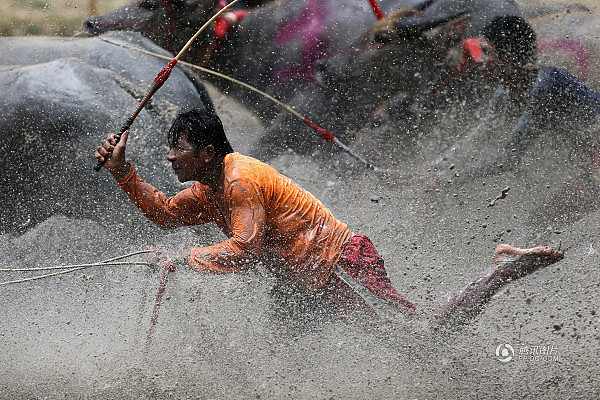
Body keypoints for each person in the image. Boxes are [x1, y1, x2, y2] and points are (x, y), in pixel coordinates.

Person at [95, 108, 564, 326]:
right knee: (285, 350)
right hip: (302, 280)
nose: (170, 157)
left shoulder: (239, 181)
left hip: (338, 264)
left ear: (208, 151)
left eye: (178, 148)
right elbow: (162, 213)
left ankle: (503, 266)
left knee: (422, 338)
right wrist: (123, 172)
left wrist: (186, 258)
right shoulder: (208, 187)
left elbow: (243, 249)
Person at [473, 15, 600, 164]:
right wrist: (439, 166)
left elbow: (509, 156)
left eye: (487, 52)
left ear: (509, 58)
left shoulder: (543, 85)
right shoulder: (505, 93)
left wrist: (453, 178)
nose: (479, 59)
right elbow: (478, 136)